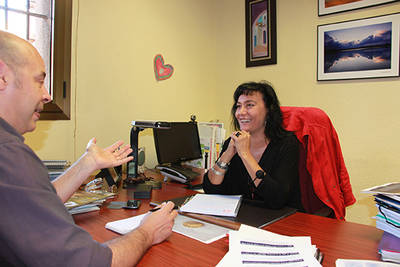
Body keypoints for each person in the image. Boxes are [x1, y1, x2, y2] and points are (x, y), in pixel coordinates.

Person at [0, 30, 177, 267]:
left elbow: (34, 205)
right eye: (39, 81)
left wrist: (88, 163)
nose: (47, 95)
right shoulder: (9, 154)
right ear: (2, 77)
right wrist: (147, 232)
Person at [202, 81, 303, 210]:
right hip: (243, 218)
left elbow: (277, 199)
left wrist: (245, 154)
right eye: (238, 106)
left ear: (268, 110)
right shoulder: (232, 142)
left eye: (249, 105)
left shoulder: (287, 143)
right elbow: (210, 189)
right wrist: (227, 154)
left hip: (280, 220)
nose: (241, 112)